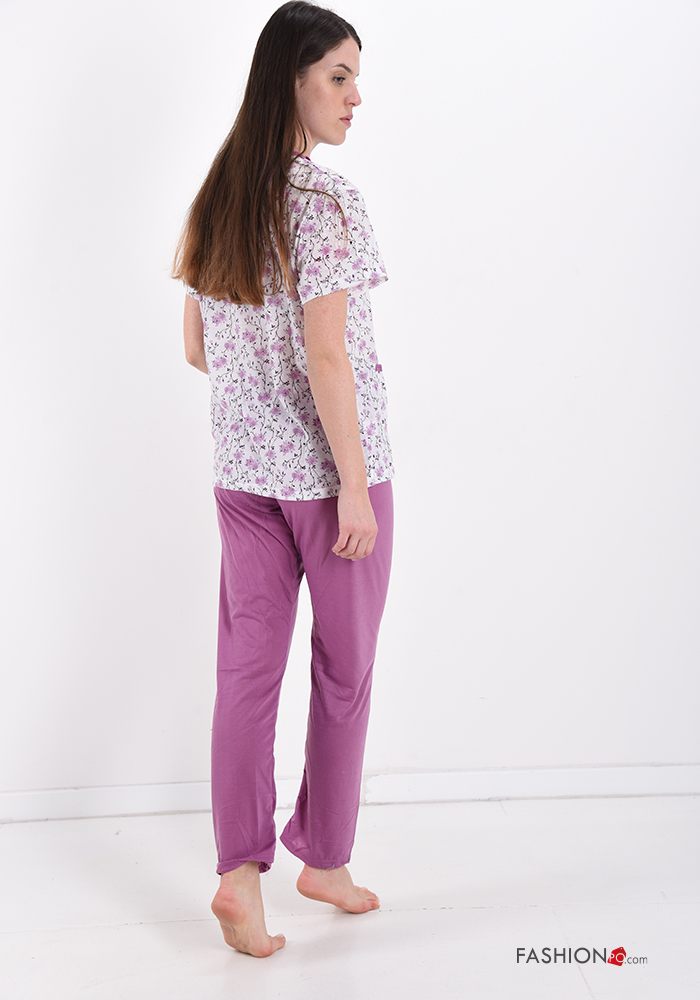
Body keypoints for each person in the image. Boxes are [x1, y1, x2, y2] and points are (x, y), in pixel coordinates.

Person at [172, 0, 394, 958]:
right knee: (344, 670)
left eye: (355, 78)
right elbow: (327, 355)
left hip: (242, 476)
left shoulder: (218, 193)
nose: (355, 97)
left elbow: (196, 347)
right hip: (333, 479)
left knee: (245, 673)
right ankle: (325, 858)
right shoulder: (325, 202)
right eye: (338, 76)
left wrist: (257, 404)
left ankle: (239, 880)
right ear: (291, 81)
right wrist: (352, 482)